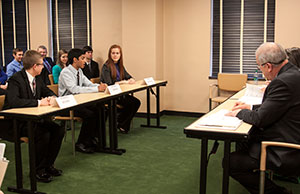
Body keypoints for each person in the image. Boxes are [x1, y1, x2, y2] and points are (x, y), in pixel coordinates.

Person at [226, 42, 300, 194]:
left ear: (268, 66)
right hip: (292, 135)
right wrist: (250, 108)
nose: (260, 70)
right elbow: (278, 107)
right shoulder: (293, 73)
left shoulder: (282, 82)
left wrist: (238, 113)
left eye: (259, 66)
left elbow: (260, 119)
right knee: (243, 141)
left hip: (286, 149)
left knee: (230, 162)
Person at [3, 50, 64, 183]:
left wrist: (54, 97)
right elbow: (14, 102)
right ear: (35, 66)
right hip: (16, 122)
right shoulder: (16, 79)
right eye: (42, 64)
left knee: (58, 130)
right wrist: (38, 102)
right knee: (43, 134)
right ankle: (37, 170)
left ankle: (48, 165)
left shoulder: (38, 78)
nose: (44, 67)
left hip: (33, 119)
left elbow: (46, 90)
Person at [59, 48, 107, 153]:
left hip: (78, 102)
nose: (85, 61)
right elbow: (74, 90)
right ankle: (81, 143)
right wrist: (96, 89)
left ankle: (92, 139)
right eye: (82, 58)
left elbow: (89, 84)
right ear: (75, 60)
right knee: (89, 114)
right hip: (67, 105)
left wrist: (100, 86)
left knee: (100, 109)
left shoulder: (79, 71)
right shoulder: (65, 72)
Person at [100, 44, 141, 134]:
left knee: (136, 102)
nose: (115, 55)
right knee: (132, 103)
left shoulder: (120, 65)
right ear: (110, 54)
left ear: (120, 55)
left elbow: (129, 76)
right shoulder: (106, 67)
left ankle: (121, 123)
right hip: (111, 96)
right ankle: (122, 123)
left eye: (117, 53)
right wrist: (124, 82)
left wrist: (131, 79)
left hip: (120, 94)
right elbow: (110, 84)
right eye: (113, 53)